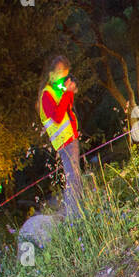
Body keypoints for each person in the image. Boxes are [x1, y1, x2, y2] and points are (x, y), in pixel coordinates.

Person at [39, 55, 82, 217]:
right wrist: (67, 93)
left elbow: (67, 109)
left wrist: (70, 91)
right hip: (64, 142)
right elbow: (57, 117)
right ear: (52, 73)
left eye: (65, 74)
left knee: (75, 177)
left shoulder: (58, 90)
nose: (63, 78)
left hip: (71, 139)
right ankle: (75, 216)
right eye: (61, 73)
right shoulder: (46, 95)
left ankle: (77, 213)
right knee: (73, 179)